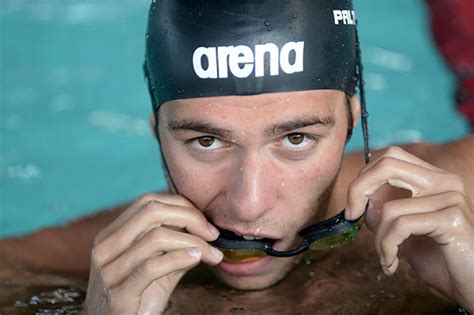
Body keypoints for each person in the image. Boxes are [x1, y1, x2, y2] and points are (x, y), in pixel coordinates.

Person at [0, 1, 472, 314]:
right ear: (158, 133)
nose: (248, 206)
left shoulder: (458, 198)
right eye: (206, 142)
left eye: (296, 139)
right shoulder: (93, 260)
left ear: (352, 121)